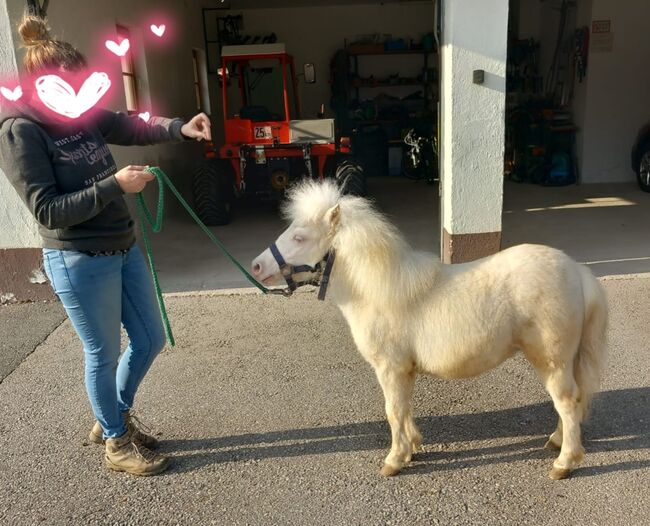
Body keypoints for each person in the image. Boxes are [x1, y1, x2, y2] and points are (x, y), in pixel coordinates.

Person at [0, 15, 212, 476]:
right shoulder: (20, 131)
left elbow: (128, 125)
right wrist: (114, 185)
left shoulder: (81, 113)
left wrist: (180, 127)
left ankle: (110, 416)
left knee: (151, 338)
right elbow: (48, 210)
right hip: (77, 257)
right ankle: (116, 442)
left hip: (122, 244)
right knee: (103, 353)